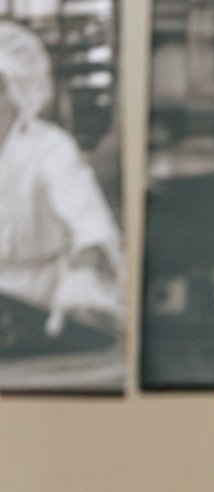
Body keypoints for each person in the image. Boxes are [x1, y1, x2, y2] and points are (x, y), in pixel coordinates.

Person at [0, 20, 124, 341]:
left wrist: (85, 271)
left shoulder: (50, 148)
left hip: (40, 304)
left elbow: (90, 223)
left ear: (15, 91)